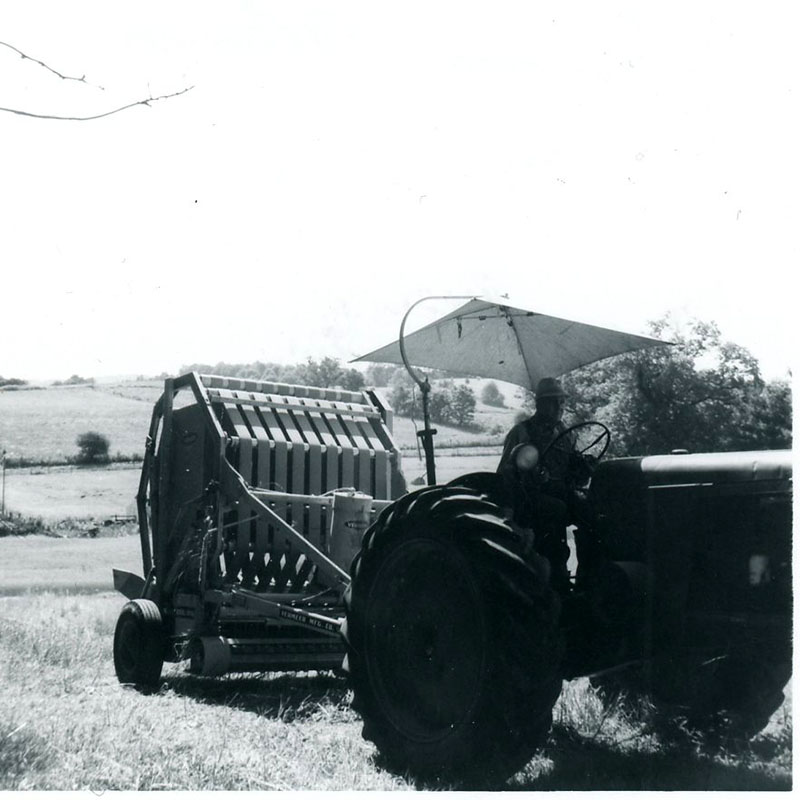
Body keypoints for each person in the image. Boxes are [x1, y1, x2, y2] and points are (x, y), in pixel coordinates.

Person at [497, 377, 589, 590]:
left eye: (561, 402)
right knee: (555, 509)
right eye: (552, 401)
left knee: (590, 508)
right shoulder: (522, 432)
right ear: (539, 404)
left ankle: (590, 573)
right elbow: (506, 474)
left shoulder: (565, 433)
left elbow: (574, 472)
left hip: (560, 491)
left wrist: (582, 467)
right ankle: (556, 577)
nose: (559, 407)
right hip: (527, 497)